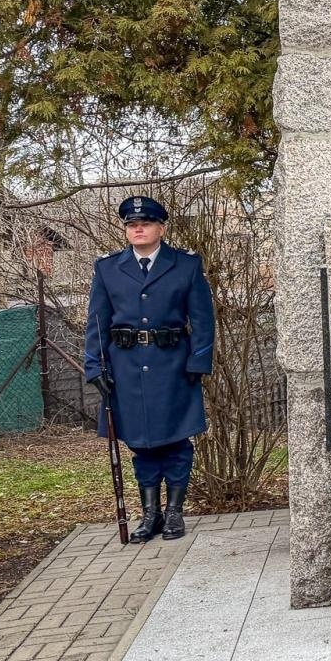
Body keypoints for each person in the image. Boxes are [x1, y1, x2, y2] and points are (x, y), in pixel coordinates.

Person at [84, 196, 215, 542]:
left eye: (144, 223)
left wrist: (198, 360)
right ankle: (150, 514)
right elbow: (96, 321)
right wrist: (94, 365)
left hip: (173, 366)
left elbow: (203, 319)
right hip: (125, 368)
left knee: (175, 441)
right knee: (141, 443)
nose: (137, 229)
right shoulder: (108, 268)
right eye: (130, 225)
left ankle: (174, 513)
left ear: (161, 228)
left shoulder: (185, 265)